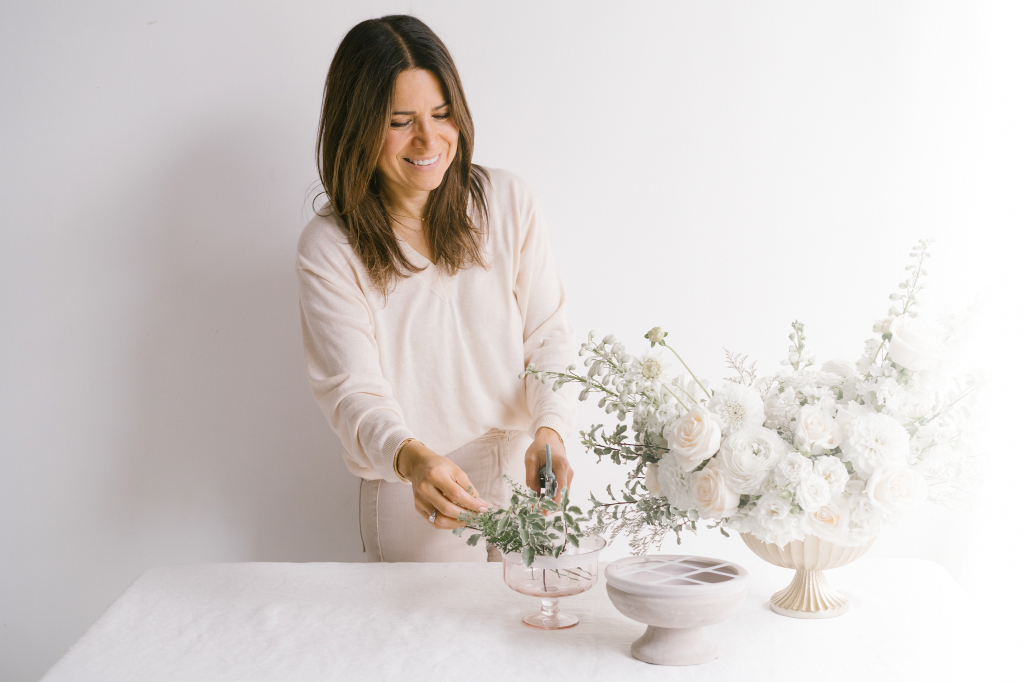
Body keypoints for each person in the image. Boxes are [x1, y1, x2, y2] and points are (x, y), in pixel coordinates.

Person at [296, 15, 576, 562]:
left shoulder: (507, 203)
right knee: (434, 643)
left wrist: (552, 429)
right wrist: (414, 460)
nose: (428, 139)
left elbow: (549, 338)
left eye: (441, 114)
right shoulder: (330, 247)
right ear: (358, 128)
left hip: (522, 467)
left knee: (538, 627)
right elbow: (353, 393)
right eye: (401, 121)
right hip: (415, 486)